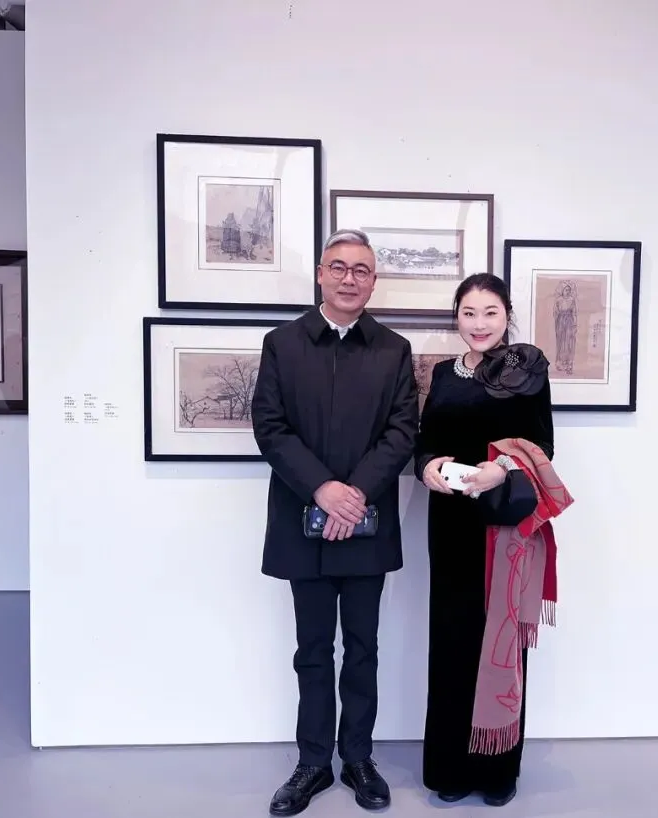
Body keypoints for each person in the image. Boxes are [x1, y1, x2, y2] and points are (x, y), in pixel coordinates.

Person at [251, 228, 420, 815]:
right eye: (339, 267)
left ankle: (358, 759)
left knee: (364, 648)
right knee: (313, 650)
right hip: (302, 520)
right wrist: (323, 490)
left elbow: (402, 431)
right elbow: (270, 426)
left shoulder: (393, 350)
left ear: (373, 282)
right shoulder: (282, 343)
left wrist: (355, 495)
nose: (350, 278)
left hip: (367, 523)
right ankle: (313, 763)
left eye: (362, 270)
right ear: (321, 274)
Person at [413, 273, 573, 807]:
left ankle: (499, 769)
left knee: (501, 639)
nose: (478, 324)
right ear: (455, 317)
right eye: (468, 313)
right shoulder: (442, 373)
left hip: (504, 524)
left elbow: (543, 442)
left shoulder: (526, 368)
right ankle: (451, 767)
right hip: (450, 522)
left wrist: (500, 468)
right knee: (452, 638)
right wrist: (427, 466)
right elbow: (425, 441)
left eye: (490, 313)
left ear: (507, 315)